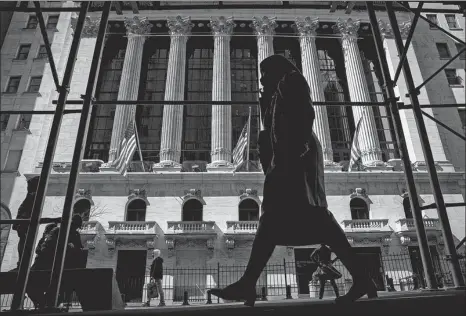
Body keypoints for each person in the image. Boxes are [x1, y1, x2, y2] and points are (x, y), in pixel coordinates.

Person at [209, 55, 377, 306]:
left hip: (294, 156)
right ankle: (362, 278)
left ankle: (247, 282)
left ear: (277, 70)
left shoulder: (291, 80)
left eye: (264, 73)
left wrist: (291, 154)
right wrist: (266, 103)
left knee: (279, 217)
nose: (262, 79)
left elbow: (304, 114)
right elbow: (274, 129)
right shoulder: (278, 90)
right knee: (313, 220)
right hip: (292, 154)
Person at [27, 214, 84, 309]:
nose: (75, 228)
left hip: (62, 268)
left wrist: (74, 250)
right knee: (33, 286)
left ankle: (45, 306)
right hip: (47, 265)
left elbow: (79, 250)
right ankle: (41, 304)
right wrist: (67, 248)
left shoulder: (75, 234)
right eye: (74, 226)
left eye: (77, 227)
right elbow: (45, 248)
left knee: (61, 290)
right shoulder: (57, 231)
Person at [12, 176, 61, 271]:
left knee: (23, 242)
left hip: (23, 223)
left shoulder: (31, 195)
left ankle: (21, 264)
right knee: (24, 243)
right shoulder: (34, 196)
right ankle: (21, 264)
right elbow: (34, 217)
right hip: (24, 223)